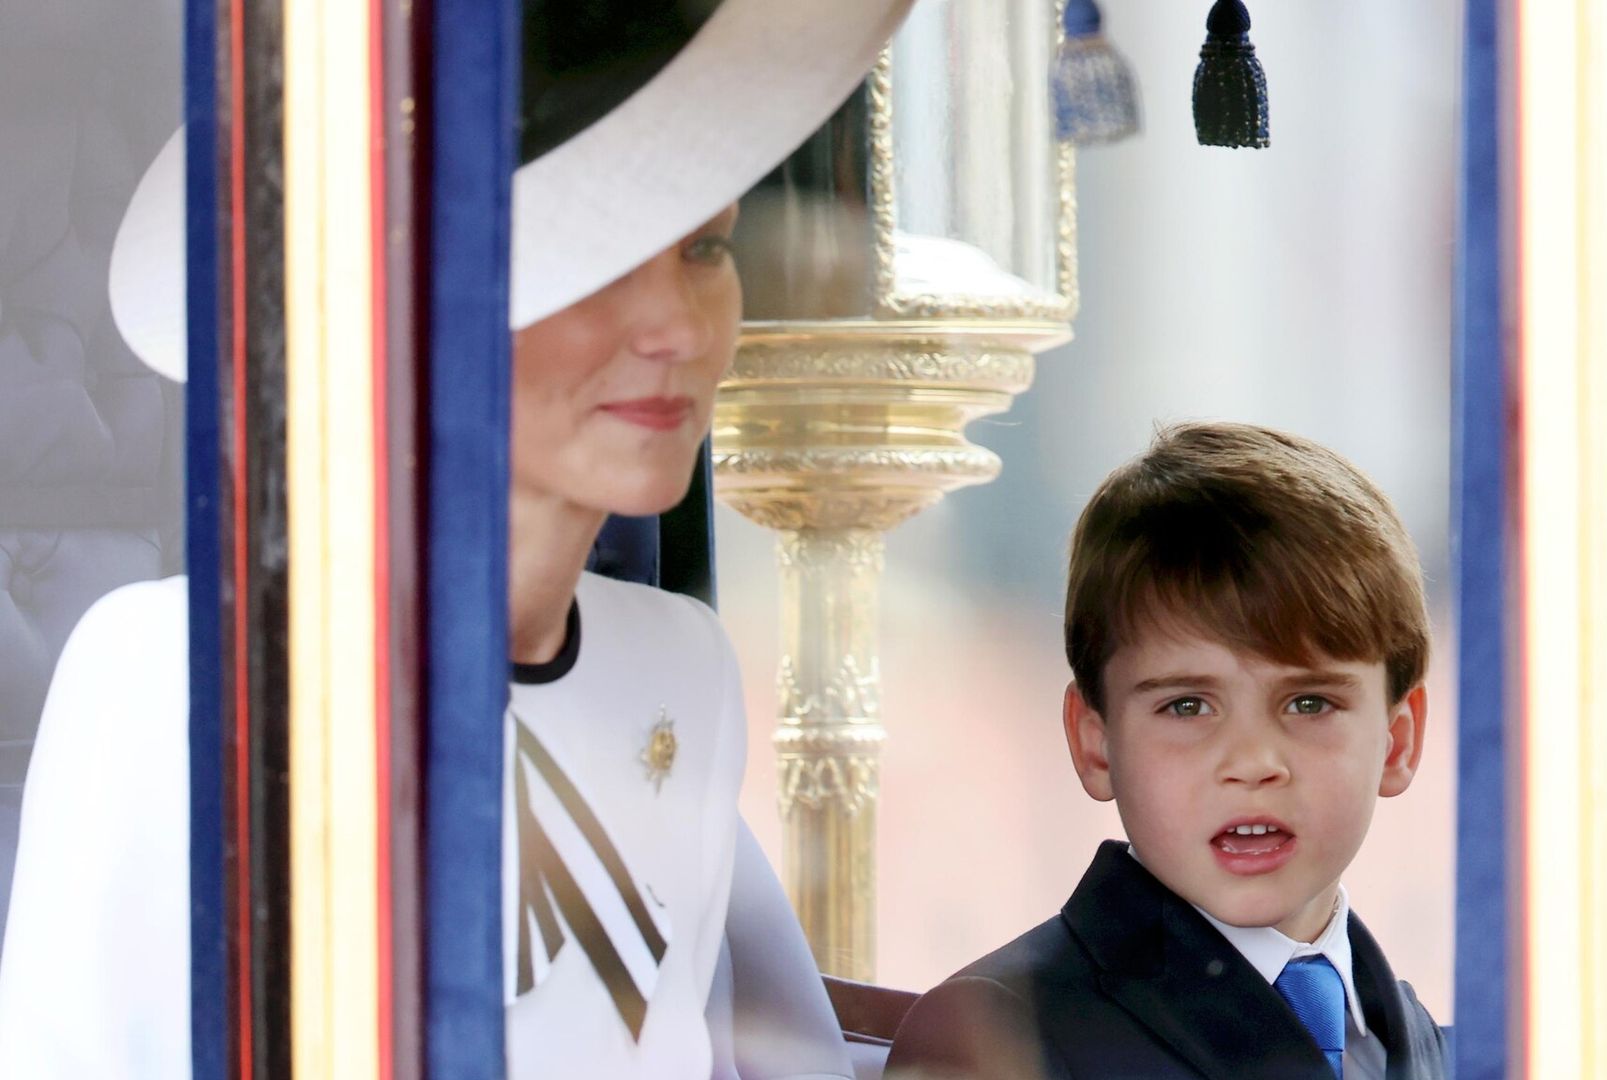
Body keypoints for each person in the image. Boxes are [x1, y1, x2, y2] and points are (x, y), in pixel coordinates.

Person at [0, 0, 911, 1075]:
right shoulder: (169, 668)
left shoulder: (684, 670)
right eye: (601, 263)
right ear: (418, 297)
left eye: (706, 249)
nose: (676, 328)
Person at [883, 422, 1450, 1080]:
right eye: (1186, 706)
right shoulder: (997, 1036)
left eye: (1309, 703)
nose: (1252, 761)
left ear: (1397, 741)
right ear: (1096, 744)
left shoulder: (1429, 1041)